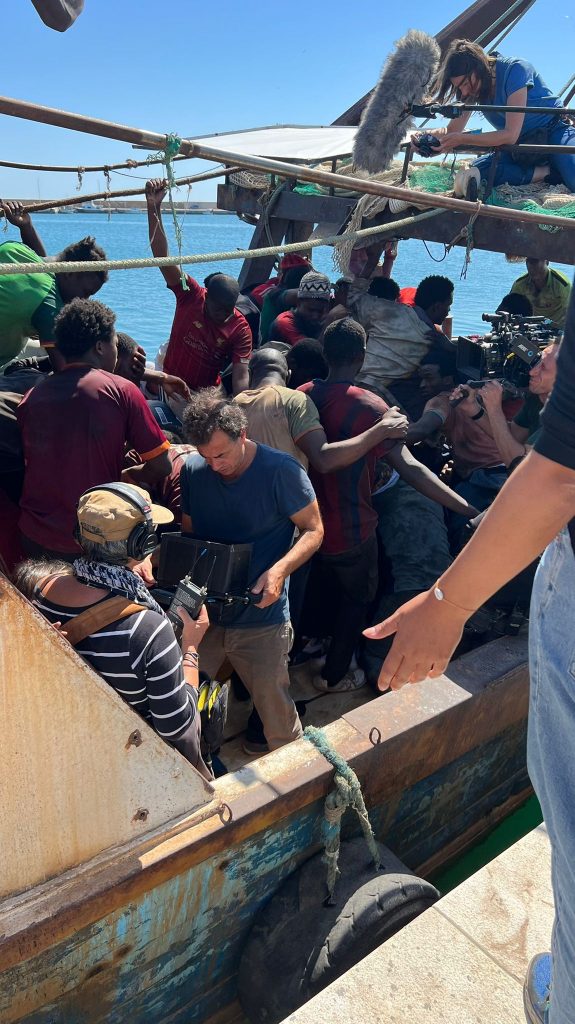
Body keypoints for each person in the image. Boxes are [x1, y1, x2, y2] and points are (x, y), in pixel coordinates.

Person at [364, 279, 575, 1024]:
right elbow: (533, 465)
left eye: (553, 349)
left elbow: (548, 476)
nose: (546, 355)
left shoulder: (462, 404)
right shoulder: (491, 405)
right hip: (497, 494)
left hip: (505, 500)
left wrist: (450, 604)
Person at [300, 318, 477, 693]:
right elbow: (411, 469)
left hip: (306, 525)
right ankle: (335, 675)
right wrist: (467, 509)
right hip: (351, 526)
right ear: (362, 357)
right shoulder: (369, 405)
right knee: (358, 597)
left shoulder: (302, 395)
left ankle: (312, 643)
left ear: (325, 353)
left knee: (319, 586)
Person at [17, 483, 211, 780]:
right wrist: (190, 650)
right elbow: (177, 729)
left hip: (73, 758)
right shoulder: (149, 630)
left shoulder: (41, 590)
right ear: (142, 544)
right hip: (130, 770)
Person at [179, 389, 324, 754]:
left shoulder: (282, 472)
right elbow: (190, 536)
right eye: (205, 456)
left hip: (262, 618)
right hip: (207, 617)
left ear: (243, 434)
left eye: (222, 454)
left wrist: (279, 571)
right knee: (185, 703)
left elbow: (314, 530)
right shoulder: (194, 472)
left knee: (275, 715)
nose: (214, 465)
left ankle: (295, 781)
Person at [17, 298, 171, 560]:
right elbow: (161, 466)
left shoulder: (31, 396)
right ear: (100, 346)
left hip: (34, 537)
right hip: (91, 539)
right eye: (113, 342)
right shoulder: (122, 391)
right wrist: (124, 476)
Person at [415, 39, 575, 192]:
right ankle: (548, 172)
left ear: (478, 68)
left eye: (464, 84)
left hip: (554, 132)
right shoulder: (473, 88)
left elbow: (510, 134)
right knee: (477, 172)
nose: (464, 92)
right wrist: (427, 139)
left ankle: (555, 167)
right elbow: (451, 131)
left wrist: (462, 139)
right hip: (519, 149)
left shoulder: (516, 69)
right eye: (459, 87)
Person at [145, 179, 252, 395]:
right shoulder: (190, 295)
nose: (223, 315)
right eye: (218, 308)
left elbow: (241, 373)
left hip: (203, 394)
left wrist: (243, 404)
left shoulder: (240, 329)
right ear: (207, 296)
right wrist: (153, 206)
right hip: (168, 377)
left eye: (228, 310)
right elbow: (161, 257)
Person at [234, 346, 408, 472]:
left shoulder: (234, 404)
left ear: (250, 372)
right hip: (280, 513)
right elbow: (324, 460)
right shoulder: (295, 399)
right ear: (288, 376)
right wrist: (382, 430)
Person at [0, 214, 108, 369]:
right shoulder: (49, 305)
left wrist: (26, 227)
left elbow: (41, 266)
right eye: (86, 292)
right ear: (70, 273)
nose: (84, 300)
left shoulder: (14, 249)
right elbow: (64, 372)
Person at [353, 274, 456, 420]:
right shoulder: (429, 338)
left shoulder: (390, 310)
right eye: (448, 306)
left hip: (356, 382)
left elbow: (354, 298)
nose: (447, 312)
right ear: (437, 307)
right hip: (378, 395)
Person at [269, 271, 331, 344]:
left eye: (320, 311)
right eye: (311, 310)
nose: (315, 316)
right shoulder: (284, 323)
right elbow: (311, 352)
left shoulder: (315, 321)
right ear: (298, 303)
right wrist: (330, 321)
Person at [511, 259, 571, 329]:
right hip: (531, 328)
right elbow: (508, 307)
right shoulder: (520, 284)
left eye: (535, 261)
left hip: (557, 330)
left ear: (547, 262)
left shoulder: (562, 284)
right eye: (529, 261)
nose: (531, 266)